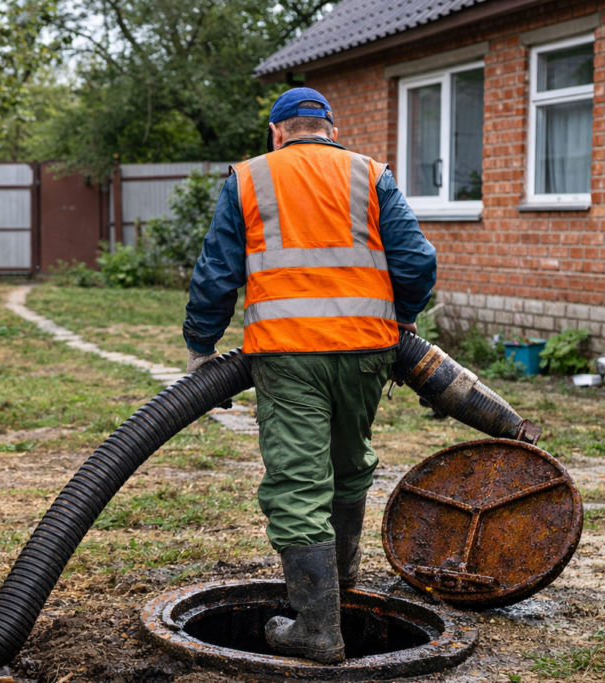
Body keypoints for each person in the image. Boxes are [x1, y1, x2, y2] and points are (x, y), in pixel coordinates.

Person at [182, 88, 437, 663]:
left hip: (288, 353)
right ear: (331, 130)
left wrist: (201, 344)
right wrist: (404, 316)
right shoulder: (370, 174)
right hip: (367, 350)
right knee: (348, 464)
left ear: (276, 132)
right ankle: (342, 586)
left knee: (299, 483)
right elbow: (417, 259)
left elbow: (217, 270)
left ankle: (318, 626)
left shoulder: (249, 178)